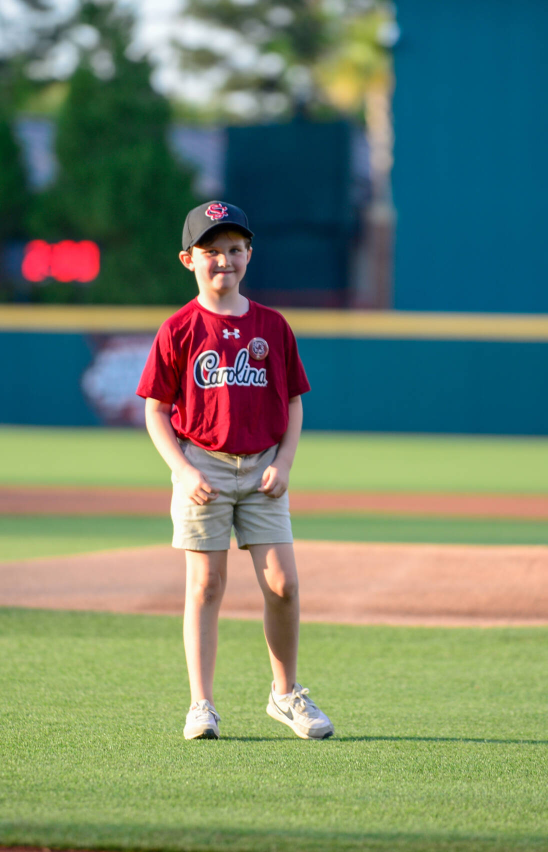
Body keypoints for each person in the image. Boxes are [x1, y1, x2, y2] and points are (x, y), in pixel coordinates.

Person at [136, 200, 334, 741]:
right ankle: (201, 705)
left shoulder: (272, 325)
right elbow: (156, 410)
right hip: (203, 465)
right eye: (212, 251)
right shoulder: (179, 329)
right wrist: (182, 470)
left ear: (249, 254)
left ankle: (286, 694)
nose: (224, 259)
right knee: (205, 585)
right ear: (188, 259)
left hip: (264, 466)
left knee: (284, 584)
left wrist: (285, 461)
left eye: (235, 249)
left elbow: (293, 401)